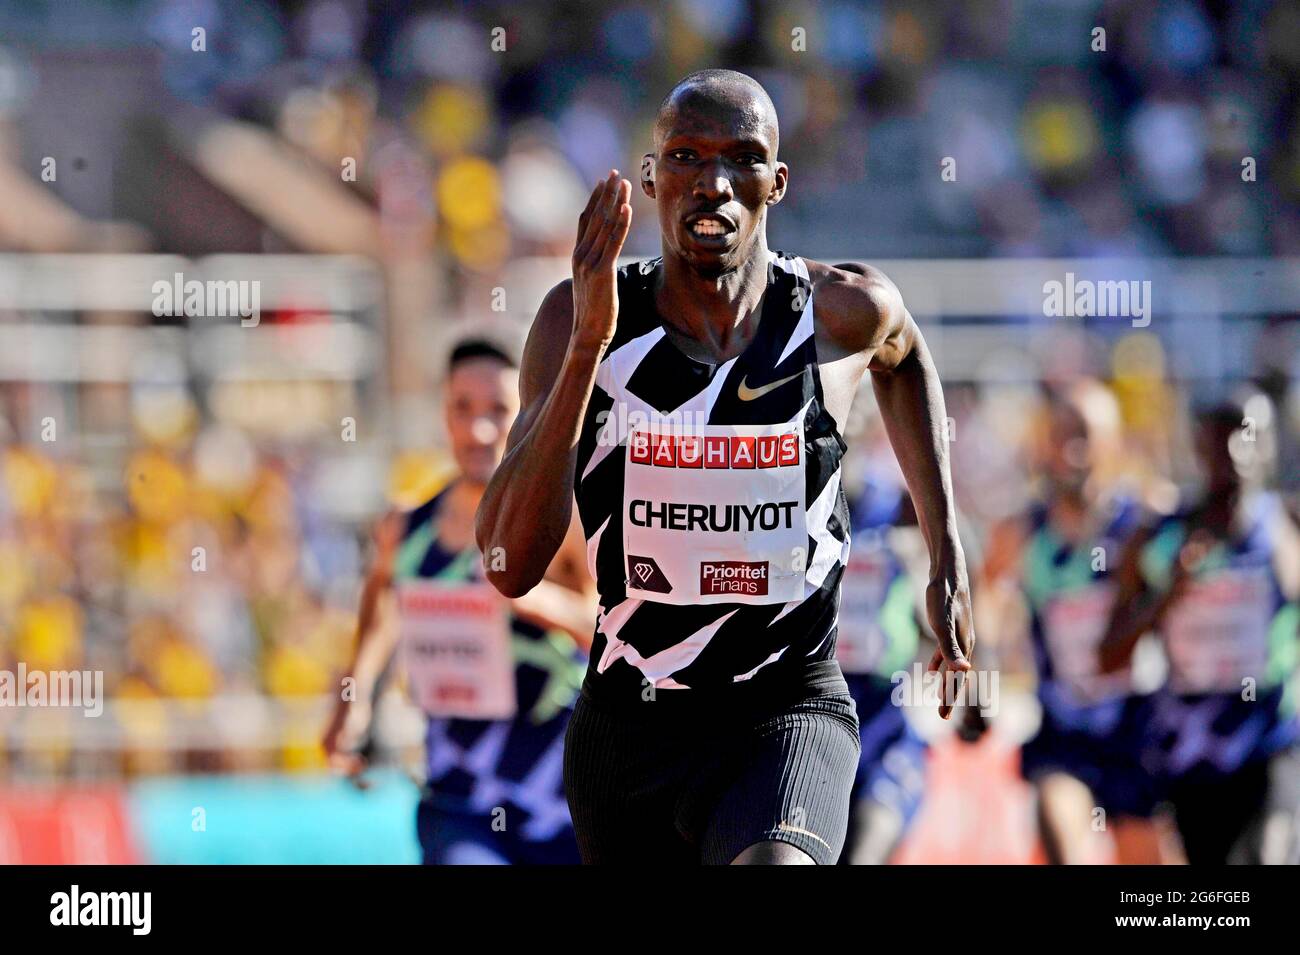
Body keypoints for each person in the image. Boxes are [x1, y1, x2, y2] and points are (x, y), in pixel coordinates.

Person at [475, 69, 975, 865]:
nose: (713, 184)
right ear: (650, 176)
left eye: (741, 159)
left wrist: (947, 555)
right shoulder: (582, 315)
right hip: (630, 723)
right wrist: (584, 354)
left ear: (777, 181)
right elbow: (508, 563)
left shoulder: (839, 312)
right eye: (686, 156)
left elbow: (905, 356)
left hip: (785, 710)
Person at [323, 338, 596, 865]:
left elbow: (612, 635)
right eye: (462, 409)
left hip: (558, 800)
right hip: (458, 797)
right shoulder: (405, 529)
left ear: (527, 415)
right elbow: (382, 606)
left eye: (498, 410)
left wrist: (531, 598)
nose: (479, 430)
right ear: (443, 415)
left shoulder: (559, 525)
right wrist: (352, 701)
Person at [1100, 396, 1300, 864]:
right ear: (1197, 447)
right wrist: (1168, 594)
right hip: (1193, 754)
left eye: (1246, 434)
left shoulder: (1288, 526)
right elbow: (1108, 655)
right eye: (1219, 437)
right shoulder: (1160, 537)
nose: (1234, 451)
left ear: (1268, 444)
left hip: (1270, 740)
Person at [981, 382, 1168, 864]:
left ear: (1114, 444)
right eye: (1063, 435)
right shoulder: (1023, 532)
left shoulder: (1144, 521)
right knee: (1057, 825)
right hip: (1063, 727)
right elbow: (977, 599)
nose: (1074, 450)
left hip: (1135, 724)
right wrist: (979, 669)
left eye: (1086, 435)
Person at [834, 464, 931, 865]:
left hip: (884, 732)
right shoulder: (782, 500)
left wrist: (922, 562)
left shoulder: (899, 505)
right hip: (809, 726)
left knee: (866, 852)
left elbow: (961, 587)